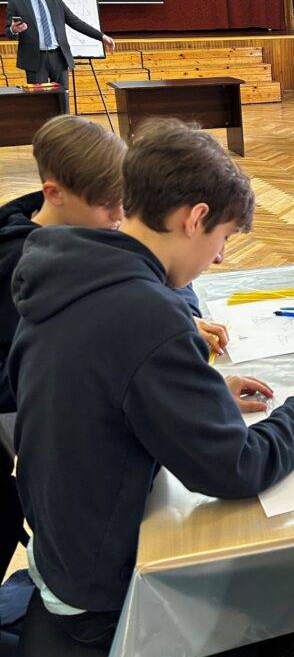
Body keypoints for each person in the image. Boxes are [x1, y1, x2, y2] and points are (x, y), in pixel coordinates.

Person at [9, 119, 294, 657]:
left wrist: (194, 391)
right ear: (194, 218)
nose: (219, 256)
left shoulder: (64, 266)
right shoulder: (147, 313)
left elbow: (99, 387)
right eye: (221, 237)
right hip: (100, 592)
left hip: (57, 551)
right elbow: (239, 468)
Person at [0, 117, 222, 578]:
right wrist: (155, 324)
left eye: (124, 203)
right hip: (33, 425)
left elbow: (158, 275)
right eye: (108, 207)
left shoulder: (92, 231)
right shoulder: (23, 263)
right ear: (54, 193)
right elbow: (40, 373)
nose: (121, 218)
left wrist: (179, 316)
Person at [4, 0, 115, 102]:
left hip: (59, 57)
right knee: (39, 102)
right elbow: (9, 31)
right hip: (35, 59)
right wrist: (14, 30)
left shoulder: (56, 1)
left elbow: (76, 22)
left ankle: (64, 117)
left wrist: (102, 37)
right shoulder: (16, 2)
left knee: (62, 100)